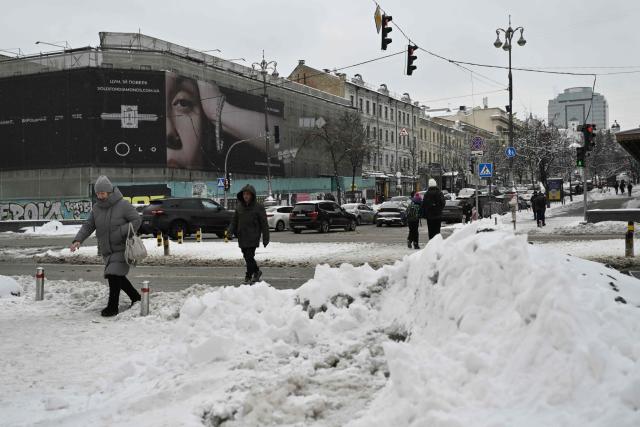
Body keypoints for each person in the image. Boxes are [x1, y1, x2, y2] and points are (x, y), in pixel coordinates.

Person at [70, 176, 141, 317]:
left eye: (102, 193)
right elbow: (88, 225)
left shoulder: (123, 205)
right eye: (98, 194)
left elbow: (137, 219)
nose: (100, 196)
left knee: (113, 275)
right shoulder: (96, 208)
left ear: (109, 192)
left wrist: (121, 231)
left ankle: (112, 307)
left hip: (122, 247)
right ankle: (136, 297)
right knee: (117, 276)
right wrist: (78, 240)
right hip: (107, 250)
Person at [227, 184, 270, 284]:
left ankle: (248, 275)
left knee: (249, 256)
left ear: (252, 195)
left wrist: (266, 238)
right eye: (244, 194)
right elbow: (234, 222)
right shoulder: (239, 208)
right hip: (242, 236)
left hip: (253, 236)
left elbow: (264, 223)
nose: (245, 196)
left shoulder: (258, 207)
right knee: (247, 257)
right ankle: (256, 271)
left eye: (248, 194)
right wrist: (229, 232)